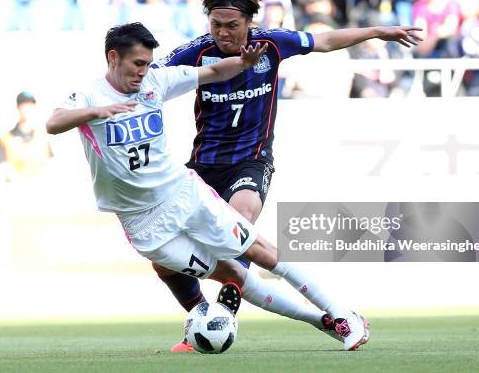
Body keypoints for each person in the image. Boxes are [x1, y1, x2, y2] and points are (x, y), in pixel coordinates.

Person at [46, 22, 370, 352]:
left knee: (257, 250)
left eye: (147, 63)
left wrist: (242, 64)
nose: (144, 72)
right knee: (233, 276)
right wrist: (95, 112)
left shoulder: (155, 82)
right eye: (138, 64)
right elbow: (53, 122)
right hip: (144, 227)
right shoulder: (88, 95)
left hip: (184, 194)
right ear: (113, 58)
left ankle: (342, 315)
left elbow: (213, 71)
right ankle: (321, 323)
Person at [150, 0, 421, 351]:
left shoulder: (272, 44)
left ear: (249, 23)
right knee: (163, 258)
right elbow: (146, 80)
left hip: (250, 161)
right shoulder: (194, 53)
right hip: (201, 166)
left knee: (237, 226)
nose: (223, 33)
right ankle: (203, 317)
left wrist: (378, 31)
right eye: (216, 25)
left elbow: (325, 41)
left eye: (232, 25)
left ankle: (229, 311)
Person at [0, 91, 54, 182]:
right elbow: (5, 170)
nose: (29, 109)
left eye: (31, 105)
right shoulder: (5, 139)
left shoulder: (42, 138)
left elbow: (50, 167)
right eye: (25, 105)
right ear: (18, 107)